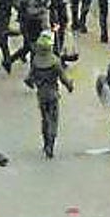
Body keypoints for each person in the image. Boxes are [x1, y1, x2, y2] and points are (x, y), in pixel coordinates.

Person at [24, 29, 73, 158]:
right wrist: (70, 86)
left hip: (41, 95)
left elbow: (29, 79)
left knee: (44, 119)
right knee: (53, 120)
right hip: (53, 94)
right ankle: (50, 144)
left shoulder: (35, 61)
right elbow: (63, 78)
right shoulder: (55, 62)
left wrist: (34, 83)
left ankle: (46, 142)